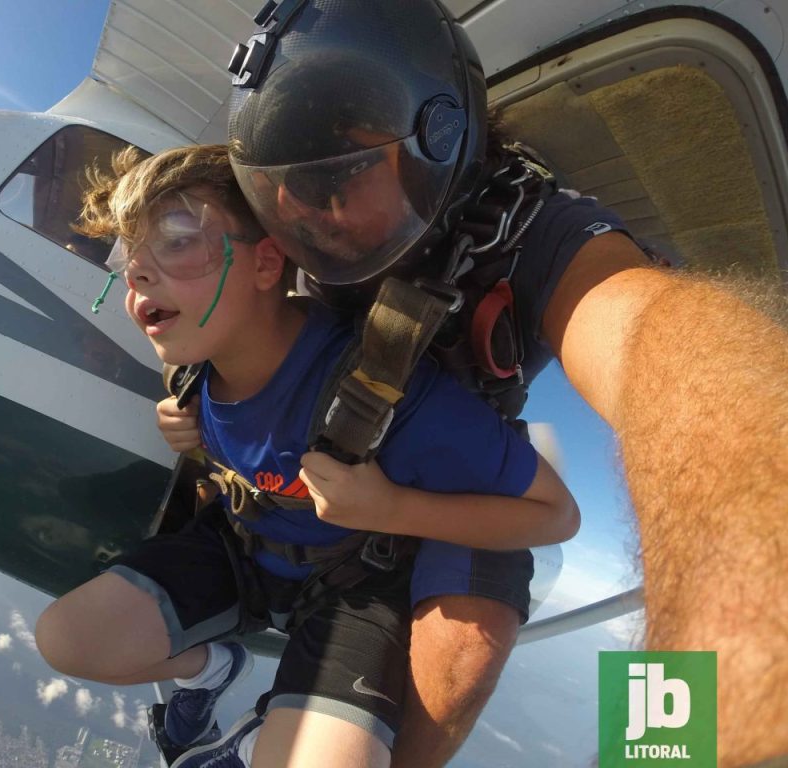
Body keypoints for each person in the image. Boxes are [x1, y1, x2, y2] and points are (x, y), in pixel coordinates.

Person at [220, 1, 788, 766]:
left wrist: (680, 737)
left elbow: (658, 343)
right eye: (281, 195)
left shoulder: (538, 227)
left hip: (465, 467)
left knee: (464, 652)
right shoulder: (311, 241)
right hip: (344, 457)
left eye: (337, 175)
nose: (307, 220)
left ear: (438, 137)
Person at [35, 142, 579, 768]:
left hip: (354, 587)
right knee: (67, 640)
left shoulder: (379, 391)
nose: (136, 274)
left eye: (180, 237)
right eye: (128, 257)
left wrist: (391, 506)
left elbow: (555, 514)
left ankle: (266, 728)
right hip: (242, 551)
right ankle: (210, 673)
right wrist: (183, 422)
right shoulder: (193, 368)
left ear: (268, 264)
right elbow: (219, 409)